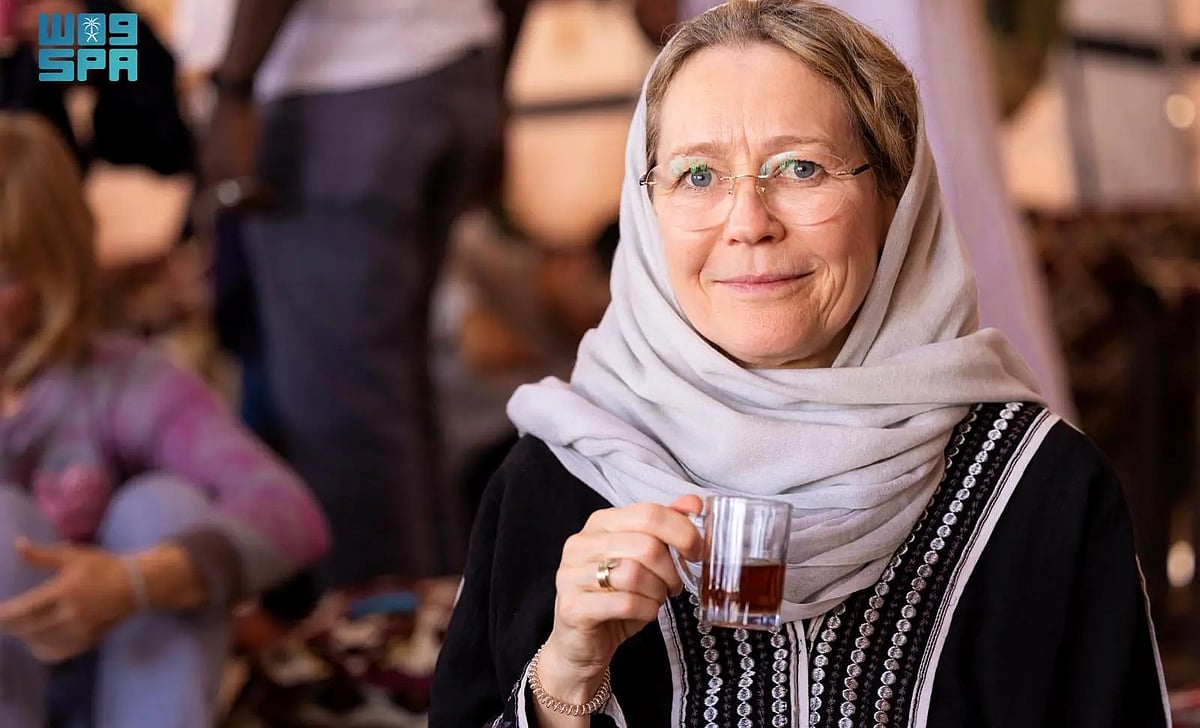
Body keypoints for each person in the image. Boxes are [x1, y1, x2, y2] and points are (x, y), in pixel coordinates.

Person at [429, 2, 1169, 726]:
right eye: (696, 176)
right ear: (644, 208)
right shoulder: (556, 481)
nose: (749, 223)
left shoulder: (1039, 489)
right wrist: (565, 681)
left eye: (801, 168)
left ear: (895, 197)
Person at [0, 113, 329, 727]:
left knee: (164, 508)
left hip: (129, 684)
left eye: (3, 275)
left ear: (51, 273)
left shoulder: (125, 380)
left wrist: (138, 581)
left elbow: (291, 512)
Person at [199, 0, 505, 588]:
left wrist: (231, 90)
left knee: (346, 421)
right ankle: (443, 643)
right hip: (452, 64)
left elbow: (129, 72)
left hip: (339, 87)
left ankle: (385, 657)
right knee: (393, 404)